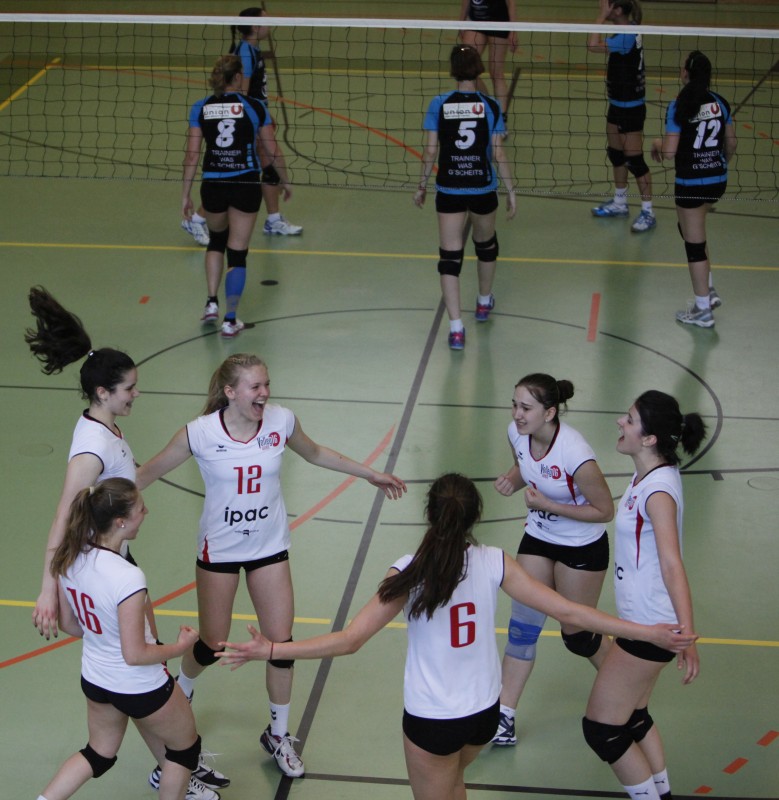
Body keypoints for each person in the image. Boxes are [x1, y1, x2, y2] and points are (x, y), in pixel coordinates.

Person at [217, 473, 697, 800]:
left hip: (433, 721)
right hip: (483, 717)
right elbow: (571, 611)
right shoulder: (495, 562)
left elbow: (348, 640)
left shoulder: (408, 572)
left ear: (429, 514)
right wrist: (648, 631)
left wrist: (271, 649)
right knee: (453, 787)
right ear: (474, 518)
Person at [135, 353, 407, 779]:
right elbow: (146, 473)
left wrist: (368, 473)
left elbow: (316, 453)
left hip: (269, 548)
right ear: (230, 392)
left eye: (266, 384)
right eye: (255, 387)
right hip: (220, 552)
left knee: (280, 645)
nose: (264, 393)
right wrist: (93, 506)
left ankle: (278, 734)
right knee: (211, 645)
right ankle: (179, 695)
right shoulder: (200, 433)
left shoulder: (281, 421)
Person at [24, 287, 228, 800]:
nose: (136, 394)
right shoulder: (91, 448)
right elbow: (63, 513)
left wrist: (191, 446)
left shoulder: (106, 426)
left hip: (110, 560)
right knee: (144, 669)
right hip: (104, 569)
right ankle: (176, 765)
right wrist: (48, 587)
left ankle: (168, 766)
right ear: (103, 393)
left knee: (134, 682)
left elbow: (134, 475)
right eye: (129, 388)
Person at [37, 478, 202, 800]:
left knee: (98, 754)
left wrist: (105, 635)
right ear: (120, 521)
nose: (146, 512)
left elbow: (69, 624)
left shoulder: (71, 557)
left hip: (96, 679)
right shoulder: (127, 576)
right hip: (140, 685)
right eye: (141, 508)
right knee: (184, 751)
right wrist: (181, 647)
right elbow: (135, 655)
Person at [583, 390, 703, 800]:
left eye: (630, 420)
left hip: (650, 626)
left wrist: (687, 635)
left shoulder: (658, 492)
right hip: (646, 621)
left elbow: (672, 564)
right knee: (634, 717)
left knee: (601, 728)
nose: (621, 422)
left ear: (650, 438)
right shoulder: (648, 476)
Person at [491, 374, 615, 746]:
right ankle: (504, 716)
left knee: (578, 635)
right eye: (514, 405)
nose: (517, 414)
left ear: (549, 412)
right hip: (539, 537)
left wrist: (549, 504)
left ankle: (626, 686)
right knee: (522, 626)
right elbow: (525, 467)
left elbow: (605, 510)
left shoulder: (575, 453)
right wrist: (512, 480)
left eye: (526, 408)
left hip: (581, 546)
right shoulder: (516, 434)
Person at [414, 44, 516, 351]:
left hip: (450, 188)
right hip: (482, 187)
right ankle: (483, 302)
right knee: (486, 246)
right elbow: (498, 153)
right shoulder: (491, 105)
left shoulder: (439, 104)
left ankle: (456, 329)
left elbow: (430, 150)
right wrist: (511, 190)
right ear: (479, 69)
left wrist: (421, 185)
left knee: (449, 258)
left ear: (453, 70)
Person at [182, 54, 293, 337]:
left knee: (216, 241)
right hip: (245, 183)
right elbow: (271, 149)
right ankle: (230, 320)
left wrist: (186, 194)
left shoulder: (201, 107)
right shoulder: (255, 106)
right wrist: (284, 180)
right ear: (239, 77)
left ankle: (211, 302)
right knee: (238, 252)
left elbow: (192, 155)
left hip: (212, 184)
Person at [651, 51, 736, 329]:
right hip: (717, 180)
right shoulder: (720, 102)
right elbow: (731, 144)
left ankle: (703, 310)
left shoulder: (679, 105)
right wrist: (718, 165)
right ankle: (708, 289)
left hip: (690, 184)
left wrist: (656, 143)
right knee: (690, 230)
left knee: (694, 245)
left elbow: (669, 152)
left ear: (685, 73)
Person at [230, 6, 303, 237]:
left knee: (269, 167)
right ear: (255, 26)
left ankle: (273, 219)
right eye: (266, 20)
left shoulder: (252, 49)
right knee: (239, 170)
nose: (269, 23)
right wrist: (255, 121)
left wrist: (264, 113)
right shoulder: (245, 53)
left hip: (257, 116)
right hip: (249, 120)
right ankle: (199, 219)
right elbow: (241, 94)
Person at [587, 0, 656, 233]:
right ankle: (619, 203)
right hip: (617, 103)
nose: (604, 6)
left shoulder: (626, 35)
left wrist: (600, 17)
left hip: (631, 107)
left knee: (635, 160)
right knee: (616, 155)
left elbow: (592, 45)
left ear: (617, 10)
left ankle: (648, 212)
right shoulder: (629, 26)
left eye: (608, 4)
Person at [458, 0, 517, 131]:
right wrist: (461, 22)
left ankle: (501, 122)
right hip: (476, 22)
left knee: (496, 73)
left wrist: (513, 30)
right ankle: (488, 105)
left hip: (498, 22)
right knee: (465, 69)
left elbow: (511, 2)